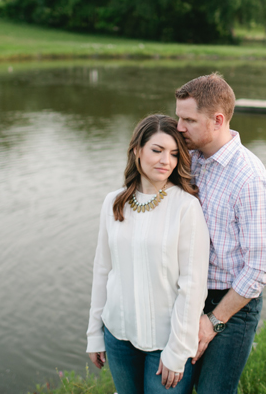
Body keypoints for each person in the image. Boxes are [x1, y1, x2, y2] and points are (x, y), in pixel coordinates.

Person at [87, 114, 210, 394]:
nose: (166, 160)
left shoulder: (186, 208)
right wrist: (94, 334)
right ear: (137, 150)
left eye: (174, 154)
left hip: (166, 345)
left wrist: (178, 351)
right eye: (157, 150)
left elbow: (192, 286)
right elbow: (102, 271)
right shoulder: (113, 203)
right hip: (118, 337)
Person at [174, 73, 266, 394]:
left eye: (189, 120)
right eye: (178, 117)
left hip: (232, 308)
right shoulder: (189, 157)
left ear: (218, 120)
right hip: (187, 296)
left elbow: (260, 269)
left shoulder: (250, 180)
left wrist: (213, 322)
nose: (179, 127)